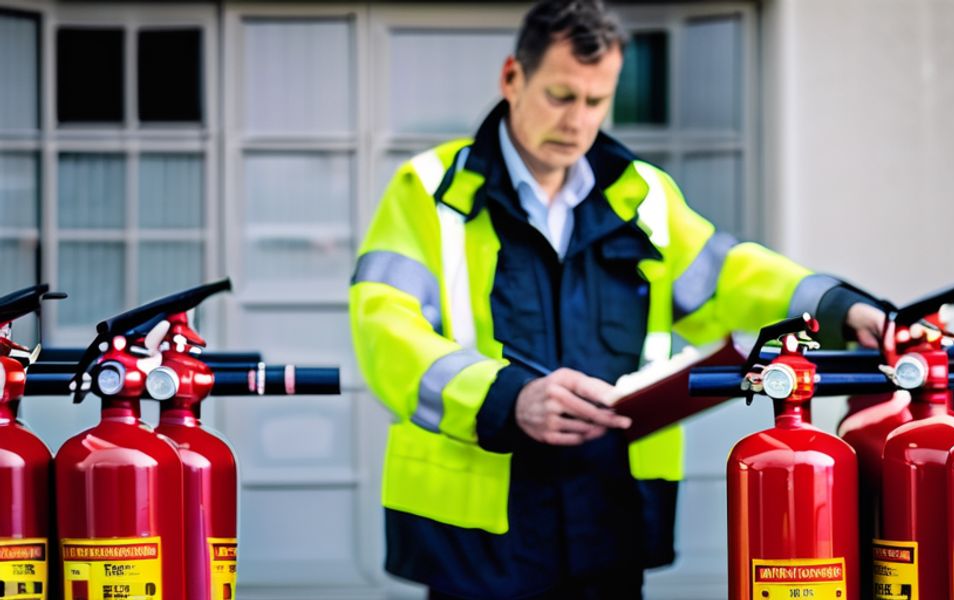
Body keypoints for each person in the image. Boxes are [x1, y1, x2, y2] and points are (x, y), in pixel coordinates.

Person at [349, 1, 885, 598]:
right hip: (476, 539)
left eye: (597, 101)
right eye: (560, 95)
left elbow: (733, 277)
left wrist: (839, 309)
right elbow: (386, 333)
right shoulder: (428, 192)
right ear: (511, 78)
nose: (578, 121)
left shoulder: (642, 196)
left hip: (607, 517)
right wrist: (507, 399)